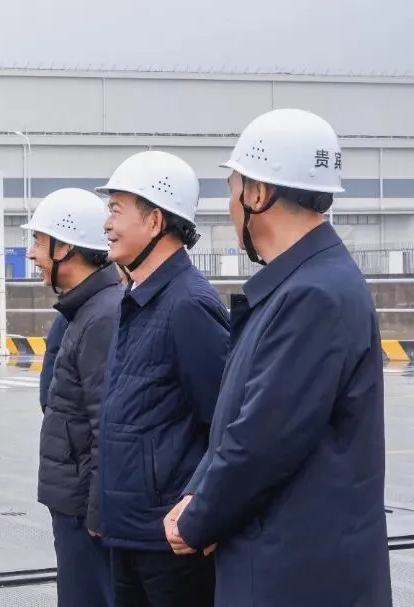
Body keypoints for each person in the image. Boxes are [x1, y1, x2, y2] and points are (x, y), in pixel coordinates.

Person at [164, 109, 393, 606]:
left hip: (294, 569)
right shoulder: (303, 284)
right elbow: (241, 419)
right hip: (292, 558)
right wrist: (198, 492)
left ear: (258, 194)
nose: (229, 205)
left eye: (233, 188)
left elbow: (263, 439)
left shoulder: (313, 295)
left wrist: (198, 518)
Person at [94, 151, 230, 607]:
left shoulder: (189, 304)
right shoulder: (136, 297)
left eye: (116, 210)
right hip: (129, 531)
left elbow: (223, 422)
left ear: (154, 221)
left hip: (171, 542)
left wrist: (203, 514)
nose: (106, 224)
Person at [26, 188, 120, 607]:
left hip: (86, 506)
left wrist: (97, 508)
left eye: (38, 241)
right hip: (74, 498)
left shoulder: (102, 316)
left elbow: (107, 424)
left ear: (65, 247)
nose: (32, 253)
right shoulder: (82, 309)